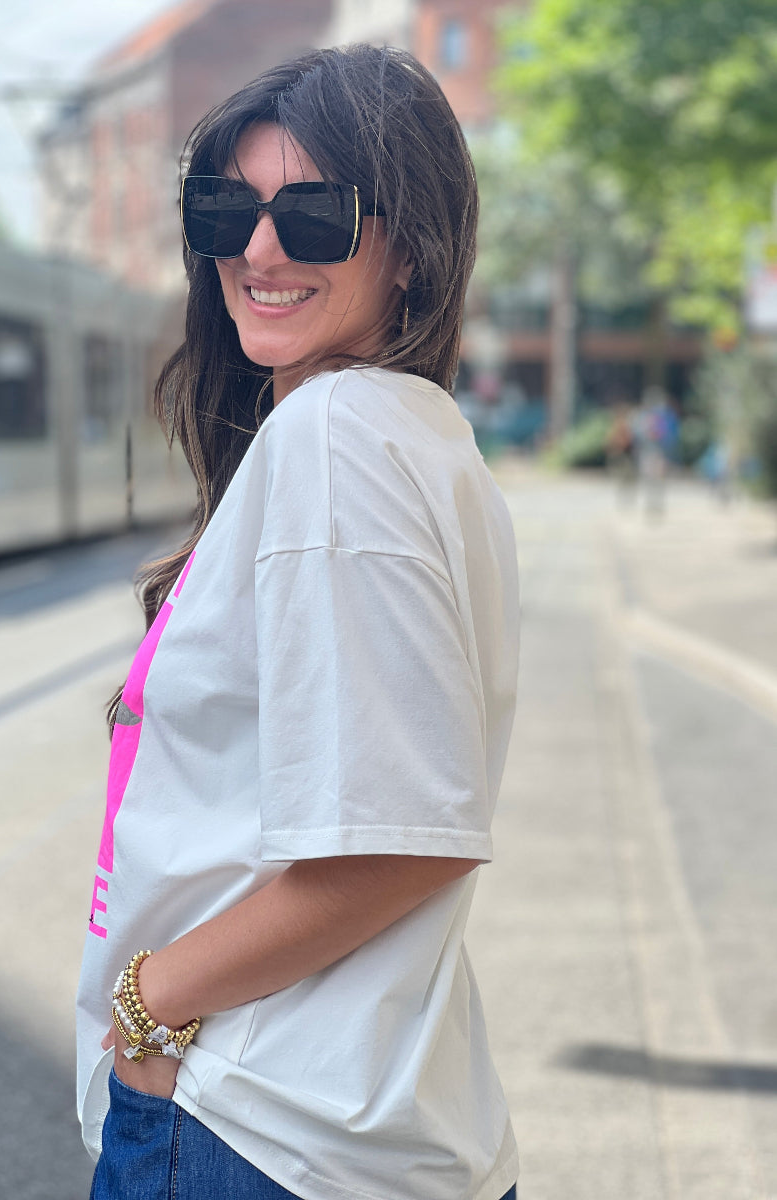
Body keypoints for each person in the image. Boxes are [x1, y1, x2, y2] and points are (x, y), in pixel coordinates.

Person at [76, 44, 520, 1200]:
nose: (260, 251)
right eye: (227, 210)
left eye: (314, 216)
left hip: (260, 1128)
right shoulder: (417, 435)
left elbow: (402, 838)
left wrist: (149, 1007)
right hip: (356, 1121)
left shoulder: (337, 437)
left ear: (410, 248)